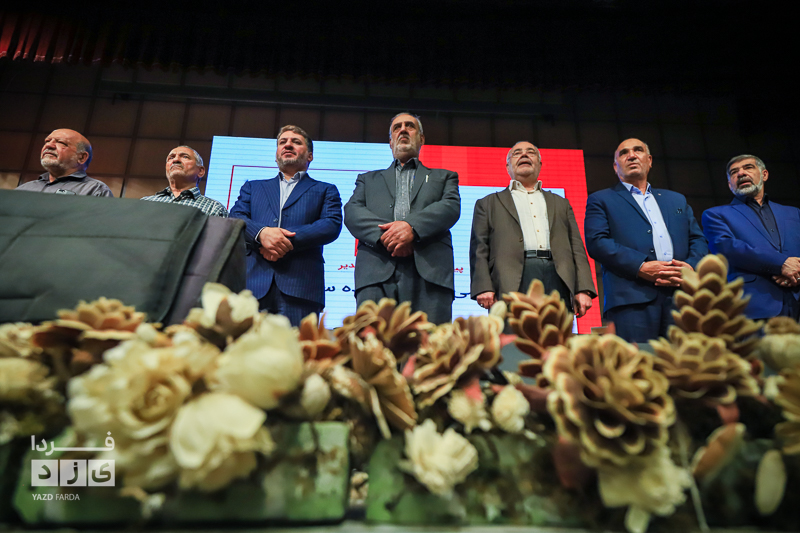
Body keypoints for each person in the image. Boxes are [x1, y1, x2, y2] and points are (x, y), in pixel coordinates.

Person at [584, 138, 708, 343]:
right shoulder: (601, 199)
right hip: (631, 300)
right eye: (624, 153)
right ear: (615, 166)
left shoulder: (676, 199)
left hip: (682, 297)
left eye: (638, 150)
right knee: (637, 360)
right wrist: (641, 266)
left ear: (649, 161)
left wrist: (689, 267)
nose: (631, 155)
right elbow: (597, 242)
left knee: (684, 360)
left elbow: (698, 239)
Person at [344, 112, 460, 325]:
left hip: (430, 273)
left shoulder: (445, 177)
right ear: (390, 142)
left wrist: (411, 228)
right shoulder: (367, 179)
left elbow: (450, 207)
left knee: (431, 343)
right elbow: (352, 212)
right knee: (374, 344)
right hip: (375, 273)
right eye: (397, 128)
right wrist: (389, 237)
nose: (403, 130)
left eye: (410, 126)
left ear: (421, 139)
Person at [229, 125, 342, 326]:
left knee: (296, 346)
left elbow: (330, 225)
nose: (288, 145)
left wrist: (280, 241)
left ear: (310, 155)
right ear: (276, 155)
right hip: (252, 288)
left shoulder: (326, 190)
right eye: (283, 142)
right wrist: (262, 234)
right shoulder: (252, 187)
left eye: (296, 142)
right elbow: (235, 217)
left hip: (301, 288)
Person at [470, 141, 596, 316]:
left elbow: (577, 248)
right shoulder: (487, 203)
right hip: (508, 280)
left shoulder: (561, 203)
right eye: (517, 153)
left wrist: (583, 288)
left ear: (540, 164)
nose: (524, 155)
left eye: (531, 152)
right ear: (507, 166)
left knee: (556, 332)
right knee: (512, 333)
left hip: (558, 277)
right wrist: (483, 286)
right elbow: (479, 249)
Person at [702, 155, 800, 320]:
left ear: (764, 175)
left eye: (748, 167)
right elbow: (727, 248)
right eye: (734, 172)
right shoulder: (715, 214)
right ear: (729, 184)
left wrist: (796, 271)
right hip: (754, 306)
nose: (741, 173)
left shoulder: (794, 213)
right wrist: (781, 264)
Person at [16, 129, 113, 197]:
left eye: (61, 142)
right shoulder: (24, 189)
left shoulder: (95, 190)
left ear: (82, 157)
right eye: (47, 141)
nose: (49, 145)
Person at [140, 146, 228, 217]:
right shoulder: (144, 203)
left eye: (185, 157)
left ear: (200, 171)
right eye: (171, 158)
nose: (175, 160)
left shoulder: (214, 209)